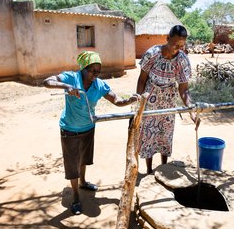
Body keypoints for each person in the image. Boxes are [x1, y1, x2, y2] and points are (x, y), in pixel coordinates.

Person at [43, 51, 140, 215]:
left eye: (98, 71)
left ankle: (83, 182)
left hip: (88, 127)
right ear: (83, 68)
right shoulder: (71, 78)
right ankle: (75, 196)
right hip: (69, 129)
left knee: (84, 158)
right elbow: (47, 81)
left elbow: (116, 100)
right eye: (92, 70)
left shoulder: (99, 85)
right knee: (72, 163)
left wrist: (130, 99)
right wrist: (67, 87)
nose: (95, 74)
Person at [136, 25, 198, 174]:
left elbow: (183, 88)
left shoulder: (182, 60)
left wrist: (190, 108)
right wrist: (139, 103)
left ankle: (164, 168)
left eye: (181, 46)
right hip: (150, 99)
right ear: (167, 39)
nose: (178, 49)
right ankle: (149, 171)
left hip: (169, 100)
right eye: (175, 44)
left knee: (165, 134)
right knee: (149, 135)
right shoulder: (152, 54)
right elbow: (141, 80)